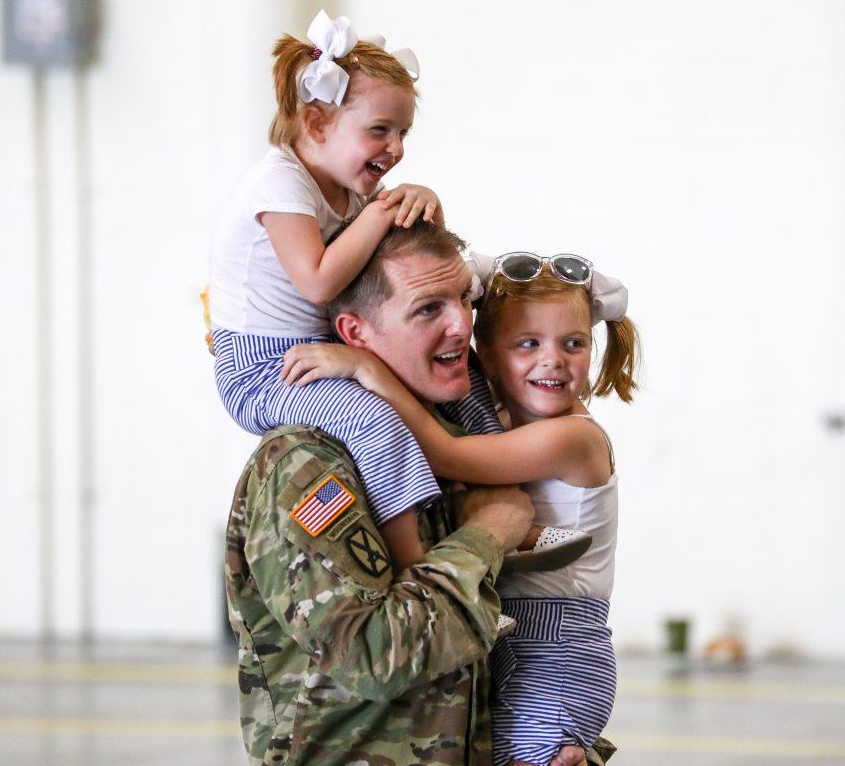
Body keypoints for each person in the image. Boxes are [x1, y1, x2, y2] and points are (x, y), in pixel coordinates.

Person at [224, 222, 613, 765]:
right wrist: (486, 535)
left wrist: (556, 744)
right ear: (355, 335)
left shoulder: (449, 433)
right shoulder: (308, 464)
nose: (462, 325)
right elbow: (373, 657)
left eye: (463, 298)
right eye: (429, 309)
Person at [208, 9, 579, 574]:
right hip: (264, 371)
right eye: (380, 130)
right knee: (371, 418)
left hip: (321, 345)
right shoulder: (279, 183)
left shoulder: (351, 191)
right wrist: (383, 211)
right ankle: (420, 567)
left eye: (403, 132)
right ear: (315, 123)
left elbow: (402, 266)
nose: (396, 148)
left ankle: (504, 514)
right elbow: (319, 280)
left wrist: (419, 201)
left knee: (469, 380)